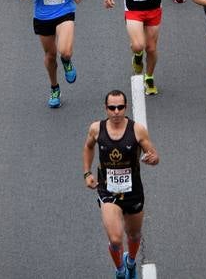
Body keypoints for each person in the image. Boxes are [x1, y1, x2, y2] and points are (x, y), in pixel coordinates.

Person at [83, 90, 159, 279]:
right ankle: (120, 270)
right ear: (105, 108)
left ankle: (131, 263)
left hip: (133, 190)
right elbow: (88, 147)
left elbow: (154, 155)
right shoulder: (96, 129)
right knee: (116, 239)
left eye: (120, 107)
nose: (116, 111)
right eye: (112, 108)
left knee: (133, 235)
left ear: (125, 108)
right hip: (107, 190)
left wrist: (153, 158)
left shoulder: (137, 130)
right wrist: (87, 173)